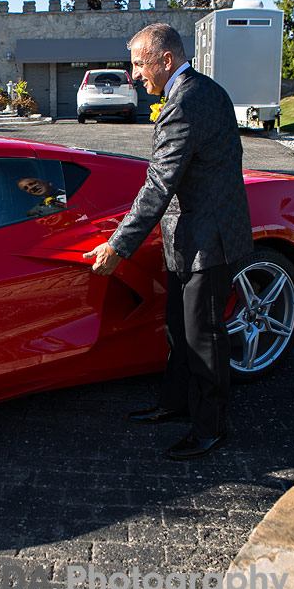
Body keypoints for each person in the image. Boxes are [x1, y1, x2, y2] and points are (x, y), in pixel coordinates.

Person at [82, 23, 253, 460]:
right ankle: (175, 405)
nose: (134, 74)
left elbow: (159, 184)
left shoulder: (186, 100)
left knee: (204, 338)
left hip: (207, 239)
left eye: (140, 64)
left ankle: (211, 428)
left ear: (166, 60)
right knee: (180, 329)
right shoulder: (204, 89)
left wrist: (119, 245)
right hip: (195, 234)